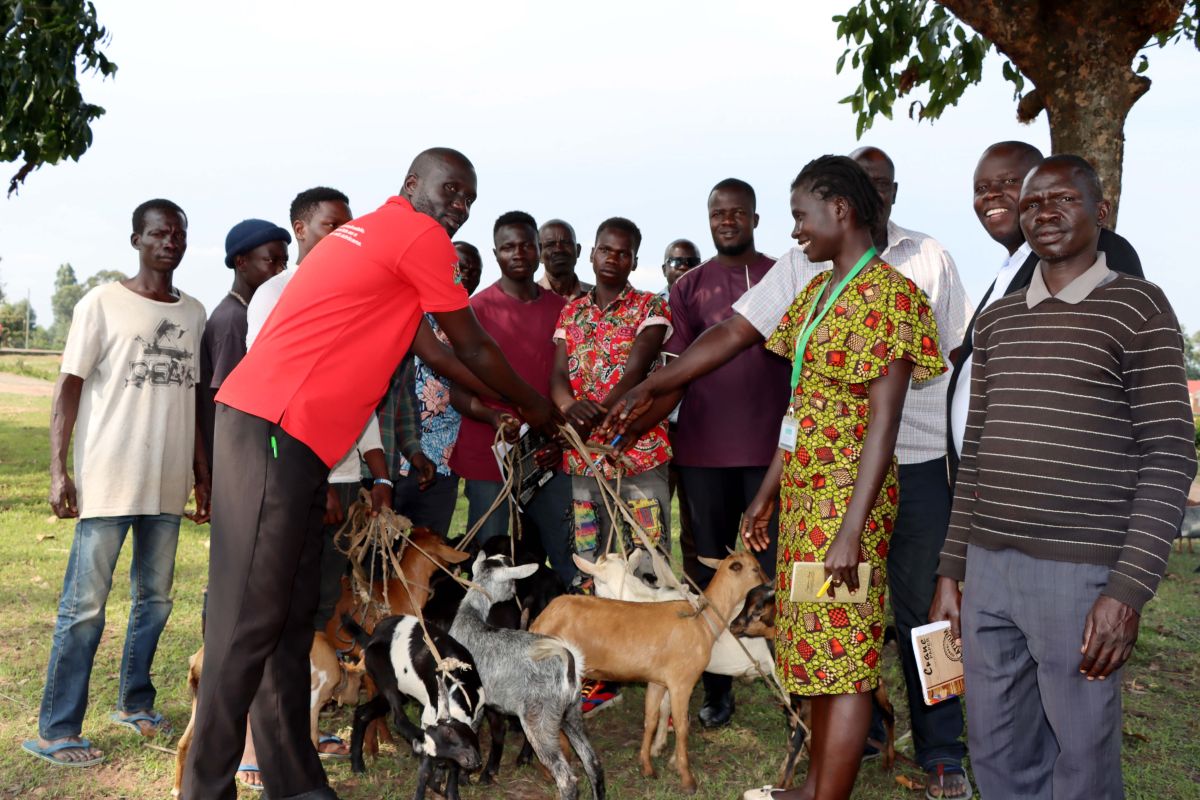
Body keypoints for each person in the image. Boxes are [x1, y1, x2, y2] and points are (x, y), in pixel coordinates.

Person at [182, 149, 560, 800]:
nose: (460, 205)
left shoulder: (378, 241)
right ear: (411, 185)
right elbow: (470, 343)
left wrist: (512, 405)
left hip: (293, 439)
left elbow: (437, 352)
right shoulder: (415, 235)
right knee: (247, 623)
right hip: (273, 425)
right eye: (450, 189)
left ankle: (295, 781)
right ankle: (205, 788)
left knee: (291, 617)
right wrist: (535, 405)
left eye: (469, 197)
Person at [930, 156, 1195, 800]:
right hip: (988, 570)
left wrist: (1126, 591)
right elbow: (977, 455)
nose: (1043, 213)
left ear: (1100, 212)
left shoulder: (1136, 307)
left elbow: (1169, 453)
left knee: (1080, 755)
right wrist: (950, 573)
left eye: (1062, 200)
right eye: (1031, 204)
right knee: (995, 748)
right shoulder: (997, 320)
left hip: (1079, 577)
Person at [729, 145, 974, 793]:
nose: (877, 193)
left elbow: (956, 354)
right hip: (840, 481)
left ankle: (946, 748)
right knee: (838, 627)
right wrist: (768, 492)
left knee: (930, 615)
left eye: (883, 184)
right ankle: (842, 755)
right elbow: (793, 392)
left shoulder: (927, 259)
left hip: (918, 468)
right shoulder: (819, 278)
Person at [24, 200, 209, 768]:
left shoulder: (195, 312)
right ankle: (57, 729)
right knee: (84, 608)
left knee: (154, 603)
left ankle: (135, 702)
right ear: (136, 239)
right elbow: (68, 389)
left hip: (167, 484)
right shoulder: (101, 302)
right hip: (108, 479)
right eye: (158, 233)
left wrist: (203, 476)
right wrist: (59, 469)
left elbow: (199, 401)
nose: (169, 242)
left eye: (178, 233)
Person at [664, 177, 790, 728]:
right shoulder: (690, 286)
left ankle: (794, 681)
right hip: (704, 450)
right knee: (708, 573)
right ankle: (716, 685)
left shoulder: (784, 274)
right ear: (708, 218)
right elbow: (675, 369)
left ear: (756, 218)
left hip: (772, 451)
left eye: (738, 212)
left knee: (778, 567)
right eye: (718, 212)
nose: (727, 220)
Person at [946, 141, 1144, 473]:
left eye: (1008, 182)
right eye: (981, 188)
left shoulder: (1104, 250)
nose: (991, 194)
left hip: (1072, 493)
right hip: (990, 496)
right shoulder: (1007, 272)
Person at [448, 211, 576, 583]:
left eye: (526, 245)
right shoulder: (475, 312)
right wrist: (492, 418)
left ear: (539, 250)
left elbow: (574, 384)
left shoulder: (565, 311)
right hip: (490, 453)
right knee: (491, 559)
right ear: (495, 253)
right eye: (507, 247)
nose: (517, 253)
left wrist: (560, 437)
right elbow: (458, 390)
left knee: (567, 552)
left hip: (552, 452)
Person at [199, 219, 291, 475]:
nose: (281, 270)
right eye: (271, 261)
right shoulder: (233, 319)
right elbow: (231, 407)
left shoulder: (251, 313)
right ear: (241, 263)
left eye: (284, 261)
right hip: (241, 463)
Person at [537, 218, 593, 300]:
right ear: (539, 254)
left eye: (566, 243)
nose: (559, 249)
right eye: (550, 244)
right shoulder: (527, 299)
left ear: (578, 250)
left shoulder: (597, 298)